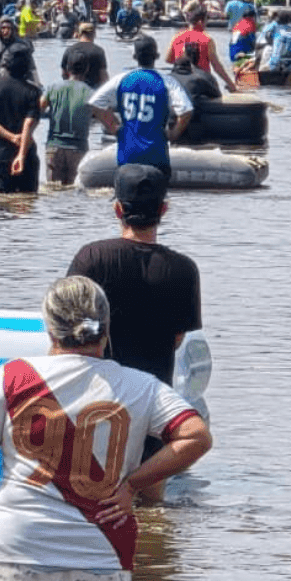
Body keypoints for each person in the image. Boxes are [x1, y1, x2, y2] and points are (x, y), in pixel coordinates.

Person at [0, 275, 212, 581]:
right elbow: (196, 437)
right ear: (106, 329)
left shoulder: (16, 377)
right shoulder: (141, 386)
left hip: (23, 551)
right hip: (102, 556)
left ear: (48, 326)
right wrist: (133, 484)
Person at [67, 163, 203, 500]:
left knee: (91, 498)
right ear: (163, 210)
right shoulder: (183, 269)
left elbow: (69, 330)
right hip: (153, 401)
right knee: (149, 501)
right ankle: (153, 550)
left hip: (97, 397)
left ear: (117, 209)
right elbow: (177, 339)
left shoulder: (92, 258)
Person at [88, 35, 192, 170]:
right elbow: (186, 110)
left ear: (134, 57)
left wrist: (114, 127)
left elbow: (95, 104)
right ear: (157, 56)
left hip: (127, 156)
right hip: (157, 156)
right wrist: (172, 134)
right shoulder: (167, 82)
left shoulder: (122, 79)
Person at [0, 44, 42, 193]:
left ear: (5, 65)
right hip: (26, 155)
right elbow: (28, 124)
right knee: (26, 207)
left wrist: (11, 137)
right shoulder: (33, 92)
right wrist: (21, 154)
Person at [40, 60, 94, 186]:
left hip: (54, 146)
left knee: (53, 190)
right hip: (78, 149)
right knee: (74, 191)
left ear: (67, 70)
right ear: (86, 70)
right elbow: (106, 118)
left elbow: (39, 109)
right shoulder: (90, 93)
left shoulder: (53, 88)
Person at [165, 10, 238, 93]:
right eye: (206, 21)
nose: (206, 25)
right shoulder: (207, 39)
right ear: (200, 22)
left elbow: (168, 59)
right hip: (201, 82)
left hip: (179, 81)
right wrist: (231, 84)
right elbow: (216, 66)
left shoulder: (177, 37)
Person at [60, 21, 108, 89]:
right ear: (94, 34)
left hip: (73, 90)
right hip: (93, 92)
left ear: (79, 34)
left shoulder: (69, 50)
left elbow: (64, 74)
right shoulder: (99, 51)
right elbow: (104, 77)